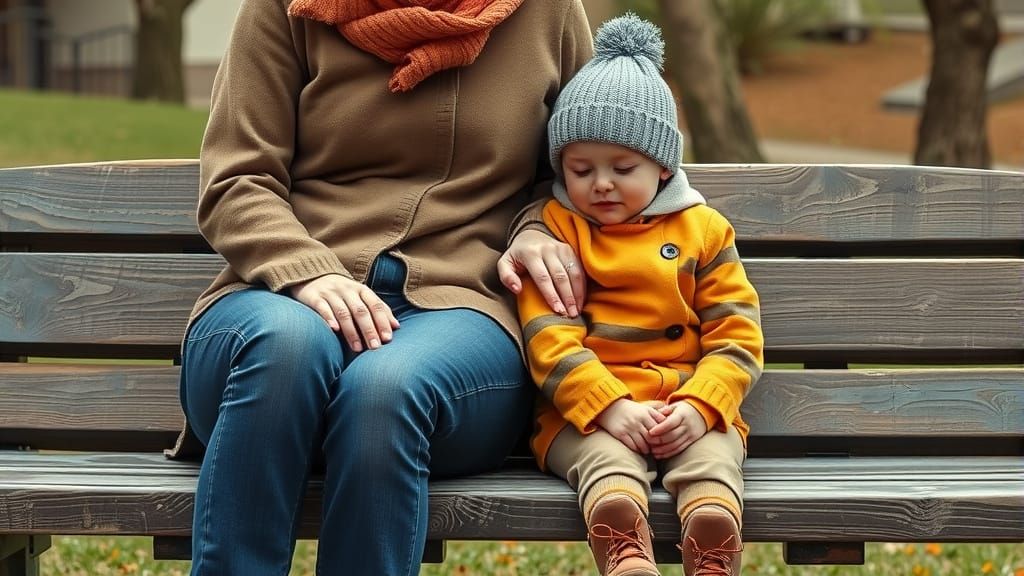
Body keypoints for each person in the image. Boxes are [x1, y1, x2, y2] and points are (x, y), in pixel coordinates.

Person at [170, 0, 594, 574]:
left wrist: (537, 229)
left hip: (462, 307)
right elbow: (237, 179)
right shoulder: (283, 9)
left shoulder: (548, 12)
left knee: (384, 388)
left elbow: (574, 172)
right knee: (287, 347)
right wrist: (305, 269)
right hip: (278, 299)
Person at [517, 14, 764, 576]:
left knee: (712, 459)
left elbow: (737, 333)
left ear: (663, 167)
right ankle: (623, 547)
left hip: (686, 402)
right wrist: (608, 406)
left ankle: (712, 541)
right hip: (585, 412)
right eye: (581, 169)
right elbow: (549, 339)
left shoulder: (703, 231)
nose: (601, 183)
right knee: (605, 464)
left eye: (623, 167)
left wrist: (702, 406)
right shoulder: (556, 232)